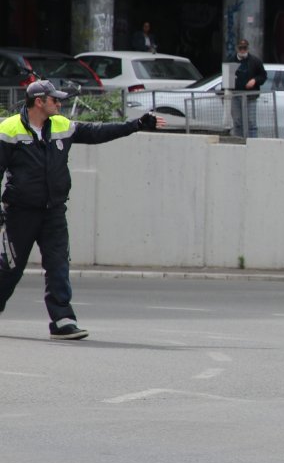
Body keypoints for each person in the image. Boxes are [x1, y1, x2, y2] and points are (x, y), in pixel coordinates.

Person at [0, 80, 164, 340]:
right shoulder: (8, 130)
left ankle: (62, 319)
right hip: (20, 213)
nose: (60, 103)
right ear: (39, 102)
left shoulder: (62, 126)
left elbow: (97, 132)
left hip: (53, 211)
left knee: (58, 265)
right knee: (9, 268)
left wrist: (136, 125)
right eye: (55, 100)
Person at [230, 38, 266, 138]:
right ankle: (238, 142)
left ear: (248, 48)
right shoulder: (231, 61)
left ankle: (253, 144)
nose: (242, 50)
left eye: (244, 48)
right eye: (240, 48)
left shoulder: (255, 61)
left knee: (251, 123)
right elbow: (226, 79)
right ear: (237, 48)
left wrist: (254, 80)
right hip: (236, 95)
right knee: (237, 122)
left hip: (251, 96)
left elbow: (263, 76)